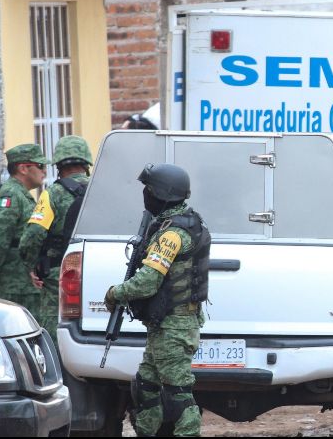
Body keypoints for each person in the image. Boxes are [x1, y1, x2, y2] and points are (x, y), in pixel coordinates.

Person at [104, 163, 209, 437]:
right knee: (146, 385)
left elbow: (147, 282)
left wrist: (115, 293)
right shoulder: (181, 223)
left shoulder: (171, 234)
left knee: (178, 395)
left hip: (174, 328)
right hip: (165, 325)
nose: (146, 195)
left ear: (161, 194)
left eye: (149, 190)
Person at [19, 136, 93, 344]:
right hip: (96, 270)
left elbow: (33, 235)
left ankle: (58, 363)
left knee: (54, 328)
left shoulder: (52, 194)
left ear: (58, 166)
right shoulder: (101, 191)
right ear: (86, 164)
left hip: (60, 273)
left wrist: (31, 265)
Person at [0, 144, 48, 319]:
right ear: (23, 169)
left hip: (24, 283)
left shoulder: (21, 194)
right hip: (15, 285)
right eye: (40, 166)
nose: (44, 171)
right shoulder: (11, 195)